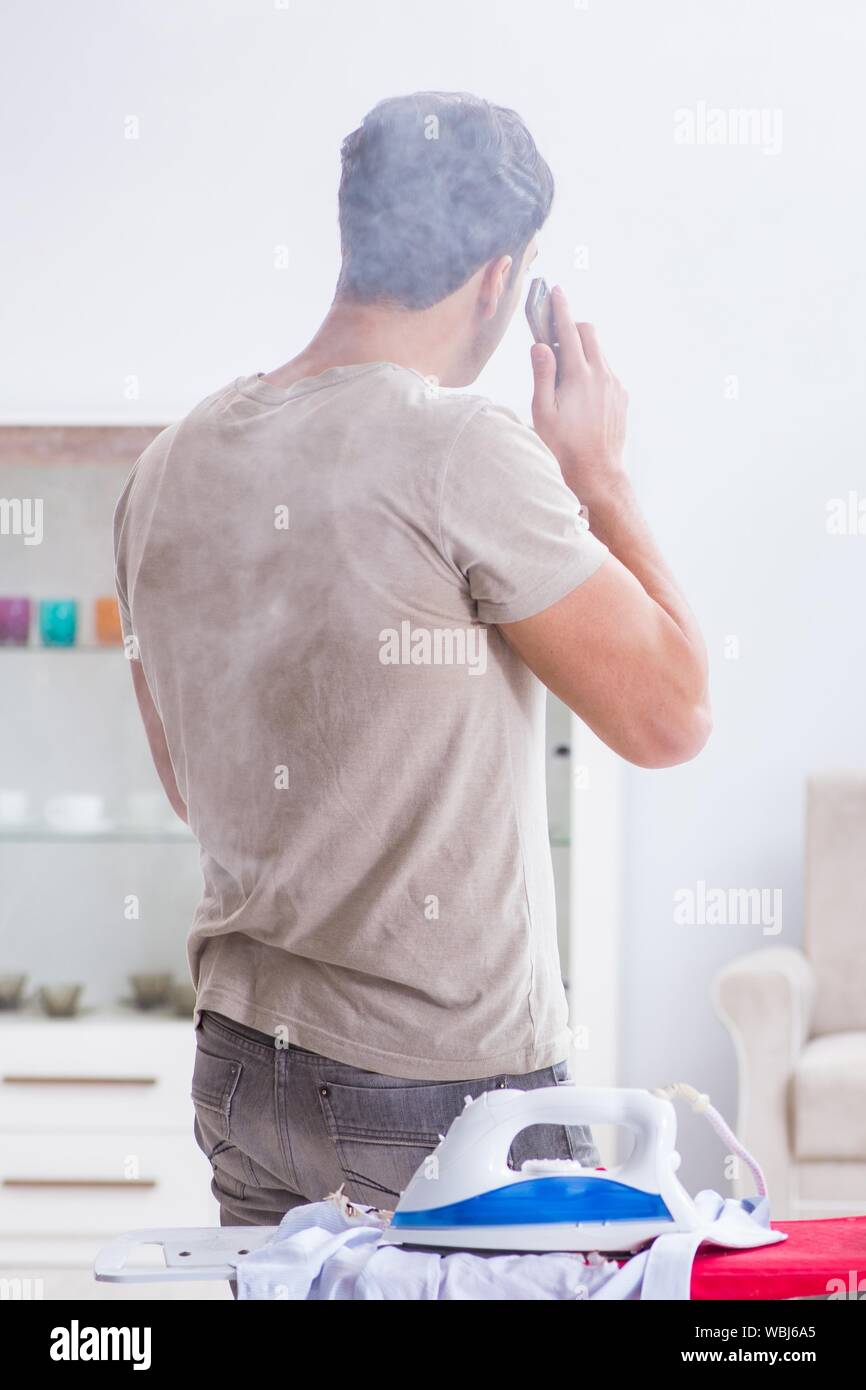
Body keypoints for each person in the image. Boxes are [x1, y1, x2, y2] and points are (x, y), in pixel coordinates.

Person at [113, 91, 711, 1230]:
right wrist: (597, 476)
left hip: (243, 1065)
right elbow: (671, 717)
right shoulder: (462, 449)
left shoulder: (165, 465)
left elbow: (195, 784)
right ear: (499, 279)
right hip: (439, 1092)